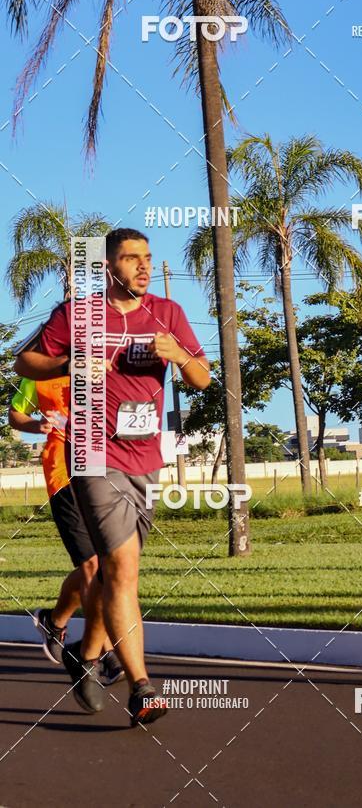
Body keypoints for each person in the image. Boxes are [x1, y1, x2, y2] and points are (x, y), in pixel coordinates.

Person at [15, 228, 210, 725]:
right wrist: (71, 362)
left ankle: (86, 652)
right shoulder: (78, 314)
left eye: (148, 257)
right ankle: (142, 687)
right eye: (131, 258)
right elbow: (25, 362)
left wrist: (179, 356)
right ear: (107, 267)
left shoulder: (168, 313)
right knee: (121, 568)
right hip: (92, 454)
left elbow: (202, 378)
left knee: (111, 571)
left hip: (145, 458)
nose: (143, 266)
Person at [9, 376, 124, 685]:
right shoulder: (39, 371)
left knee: (104, 563)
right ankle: (106, 652)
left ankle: (54, 620)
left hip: (104, 468)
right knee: (91, 565)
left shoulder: (102, 362)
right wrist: (37, 426)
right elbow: (15, 414)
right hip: (63, 472)